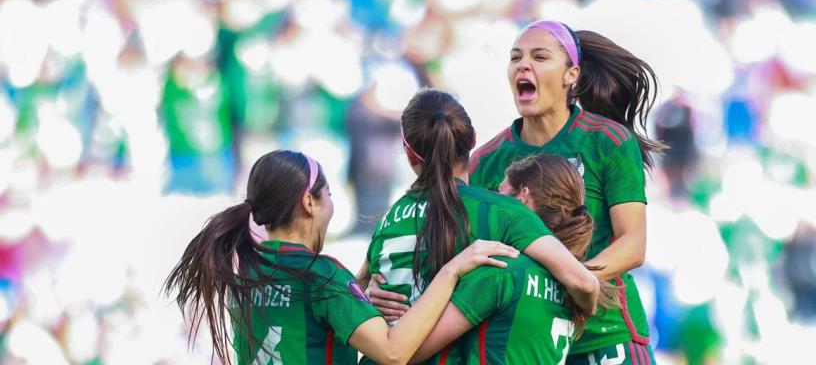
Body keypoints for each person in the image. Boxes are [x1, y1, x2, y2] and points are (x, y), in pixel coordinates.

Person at [163, 150, 520, 365]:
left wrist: (359, 291)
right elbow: (394, 353)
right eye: (329, 195)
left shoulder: (244, 273)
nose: (331, 206)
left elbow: (302, 319)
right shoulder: (320, 276)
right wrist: (453, 270)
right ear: (309, 203)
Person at [467, 20, 666, 364]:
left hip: (605, 335)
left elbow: (633, 245)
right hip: (528, 345)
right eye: (515, 58)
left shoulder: (608, 140)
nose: (523, 65)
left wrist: (568, 280)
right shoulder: (485, 160)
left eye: (540, 57)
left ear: (571, 75)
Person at [361, 89, 601, 362]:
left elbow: (358, 286)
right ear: (473, 139)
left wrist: (369, 297)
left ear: (409, 153)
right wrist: (584, 311)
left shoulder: (389, 219)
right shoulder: (499, 211)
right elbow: (584, 283)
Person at [405, 154, 623, 364]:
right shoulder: (570, 286)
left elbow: (408, 351)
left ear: (522, 197)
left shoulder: (500, 271)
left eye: (499, 192)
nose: (493, 199)